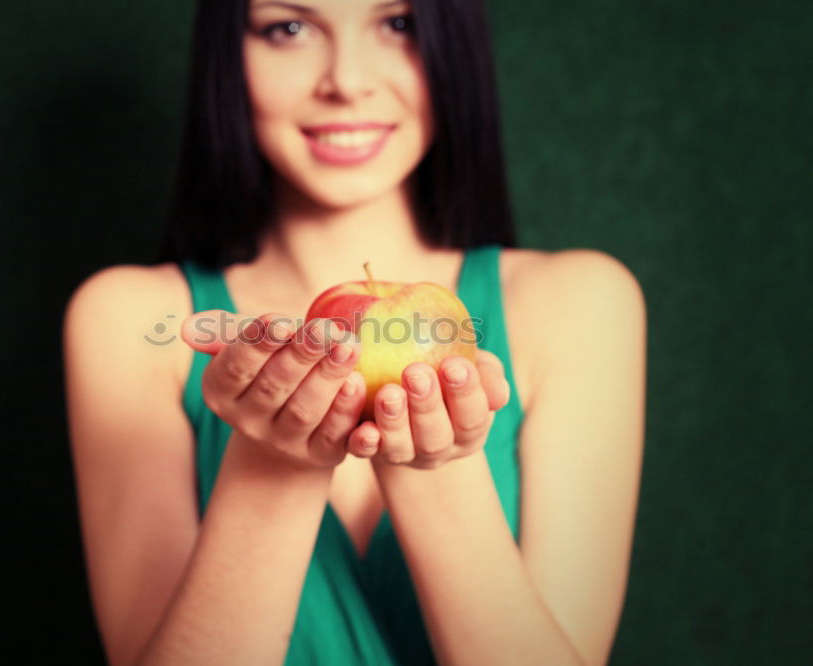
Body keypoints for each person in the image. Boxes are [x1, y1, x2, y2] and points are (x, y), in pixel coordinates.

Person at [62, 0, 646, 664]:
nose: (347, 80)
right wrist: (275, 457)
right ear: (229, 54)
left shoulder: (577, 301)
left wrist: (433, 459)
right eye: (289, 28)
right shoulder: (133, 322)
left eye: (398, 24)